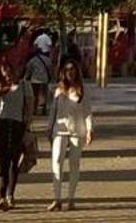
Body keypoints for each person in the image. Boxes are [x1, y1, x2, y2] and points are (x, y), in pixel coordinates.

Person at [45, 59, 93, 212]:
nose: (70, 72)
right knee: (57, 160)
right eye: (67, 70)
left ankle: (71, 199)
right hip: (59, 130)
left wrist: (90, 130)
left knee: (74, 164)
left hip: (77, 131)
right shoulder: (58, 90)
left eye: (73, 69)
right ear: (63, 73)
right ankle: (57, 198)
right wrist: (49, 128)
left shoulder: (82, 90)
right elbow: (53, 111)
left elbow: (87, 112)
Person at [0, 61, 29, 211]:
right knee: (3, 163)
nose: (7, 74)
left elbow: (29, 108)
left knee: (14, 162)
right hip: (3, 125)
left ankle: (10, 195)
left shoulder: (24, 86)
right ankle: (1, 197)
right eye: (4, 72)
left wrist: (27, 127)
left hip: (17, 125)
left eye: (8, 70)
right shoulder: (1, 88)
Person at [24, 36, 53, 117]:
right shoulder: (47, 60)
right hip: (44, 80)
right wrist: (51, 78)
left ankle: (35, 110)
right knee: (44, 95)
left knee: (35, 95)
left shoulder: (32, 60)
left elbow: (28, 70)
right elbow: (50, 68)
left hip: (34, 80)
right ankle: (43, 110)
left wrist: (26, 78)